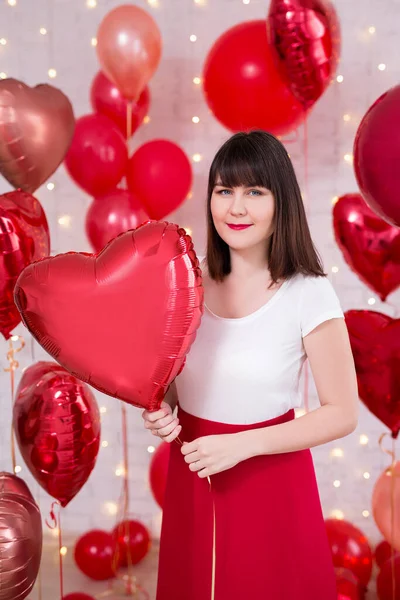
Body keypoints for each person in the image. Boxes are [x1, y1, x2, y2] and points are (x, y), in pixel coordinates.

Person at [142, 130, 358, 600]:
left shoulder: (308, 292)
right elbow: (179, 383)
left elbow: (342, 412)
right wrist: (160, 406)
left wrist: (243, 445)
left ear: (282, 201)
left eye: (254, 192)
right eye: (224, 191)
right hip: (195, 472)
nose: (236, 208)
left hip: (272, 476)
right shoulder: (186, 280)